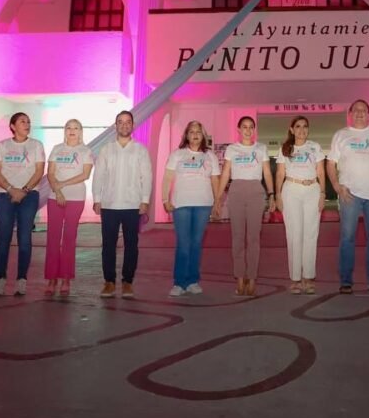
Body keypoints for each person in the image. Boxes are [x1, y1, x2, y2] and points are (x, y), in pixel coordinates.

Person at [327, 99, 369, 294]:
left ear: (368, 114)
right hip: (349, 195)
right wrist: (337, 186)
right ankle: (346, 281)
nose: (360, 113)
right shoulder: (341, 135)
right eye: (356, 110)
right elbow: (331, 164)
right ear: (350, 114)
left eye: (363, 110)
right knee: (347, 237)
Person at [92, 110, 152, 299]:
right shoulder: (106, 150)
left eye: (128, 122)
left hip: (133, 204)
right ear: (115, 125)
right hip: (109, 204)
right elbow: (99, 175)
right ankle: (109, 282)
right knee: (108, 245)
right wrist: (96, 199)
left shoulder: (141, 150)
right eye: (120, 122)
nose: (124, 125)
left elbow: (147, 176)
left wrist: (145, 200)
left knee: (131, 245)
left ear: (133, 125)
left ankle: (127, 282)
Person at [215, 116, 275, 297]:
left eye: (251, 127)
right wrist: (218, 198)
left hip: (256, 191)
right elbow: (226, 173)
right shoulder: (232, 149)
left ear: (254, 130)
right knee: (238, 237)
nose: (248, 130)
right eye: (244, 127)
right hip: (236, 191)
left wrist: (271, 194)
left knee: (254, 238)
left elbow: (267, 172)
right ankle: (240, 277)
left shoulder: (261, 148)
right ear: (239, 130)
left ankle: (252, 277)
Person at [0, 112, 45, 297]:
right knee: (3, 237)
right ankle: (0, 279)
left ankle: (22, 279)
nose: (27, 124)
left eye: (28, 122)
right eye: (22, 121)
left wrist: (24, 190)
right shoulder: (2, 146)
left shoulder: (36, 145)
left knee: (24, 238)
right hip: (4, 195)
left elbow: (39, 171)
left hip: (29, 195)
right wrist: (11, 189)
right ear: (13, 126)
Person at [163, 121, 220, 297]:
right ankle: (179, 282)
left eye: (198, 132)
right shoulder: (177, 154)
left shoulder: (210, 156)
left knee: (196, 243)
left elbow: (215, 180)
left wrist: (217, 202)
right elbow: (167, 178)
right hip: (181, 204)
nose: (195, 135)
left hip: (203, 204)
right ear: (186, 135)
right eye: (192, 132)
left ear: (203, 136)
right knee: (183, 243)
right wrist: (165, 199)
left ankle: (193, 281)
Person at [275, 116, 326, 294]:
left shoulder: (315, 147)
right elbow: (280, 174)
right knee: (294, 234)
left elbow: (321, 172)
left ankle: (308, 277)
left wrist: (322, 194)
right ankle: (295, 278)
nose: (302, 130)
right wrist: (278, 195)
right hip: (291, 190)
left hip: (312, 190)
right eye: (298, 126)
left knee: (311, 234)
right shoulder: (285, 148)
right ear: (291, 129)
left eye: (305, 126)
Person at [44, 119, 93, 297]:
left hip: (76, 198)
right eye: (69, 127)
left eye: (76, 128)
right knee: (53, 237)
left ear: (80, 131)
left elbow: (85, 175)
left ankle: (66, 278)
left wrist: (62, 185)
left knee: (69, 238)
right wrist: (57, 191)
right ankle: (51, 278)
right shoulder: (57, 149)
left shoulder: (86, 151)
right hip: (55, 197)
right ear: (65, 131)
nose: (72, 130)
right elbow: (50, 173)